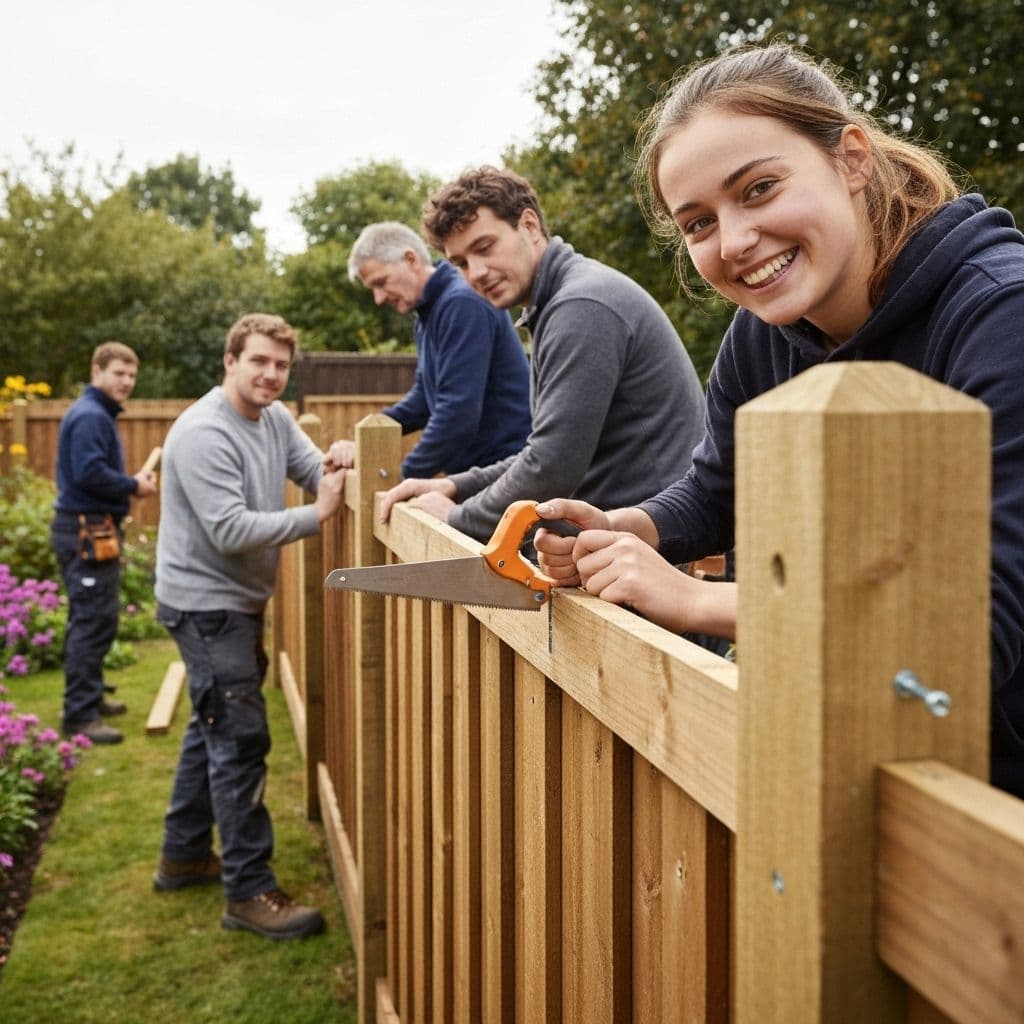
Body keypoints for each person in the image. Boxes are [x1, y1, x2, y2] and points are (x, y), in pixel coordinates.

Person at [532, 43, 1024, 799]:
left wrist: (697, 600)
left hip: (986, 788)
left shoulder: (1000, 314)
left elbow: (970, 632)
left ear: (851, 159)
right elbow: (716, 490)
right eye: (697, 224)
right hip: (844, 749)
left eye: (758, 189)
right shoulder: (764, 332)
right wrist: (635, 529)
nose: (733, 243)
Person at [378, 167, 707, 543]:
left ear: (530, 226)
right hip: (614, 544)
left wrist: (457, 517)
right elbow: (541, 449)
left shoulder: (581, 306)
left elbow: (550, 466)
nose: (477, 273)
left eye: (485, 247)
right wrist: (455, 486)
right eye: (461, 263)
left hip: (653, 552)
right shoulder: (557, 304)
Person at [152, 313, 346, 939]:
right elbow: (230, 530)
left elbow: (314, 468)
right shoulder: (205, 433)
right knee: (238, 741)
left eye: (281, 365)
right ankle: (248, 890)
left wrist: (341, 460)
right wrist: (316, 516)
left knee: (212, 724)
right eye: (258, 360)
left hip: (232, 603)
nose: (270, 374)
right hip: (206, 606)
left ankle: (182, 855)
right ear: (230, 360)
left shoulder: (276, 418)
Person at [324, 221, 531, 479]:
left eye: (381, 282)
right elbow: (424, 398)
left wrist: (399, 479)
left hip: (506, 474)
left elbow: (457, 413)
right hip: (478, 475)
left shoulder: (461, 303)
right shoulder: (428, 313)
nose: (378, 299)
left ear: (411, 259)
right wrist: (367, 437)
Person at [51, 341, 158, 744]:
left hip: (92, 528)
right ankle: (79, 716)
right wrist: (134, 485)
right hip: (85, 531)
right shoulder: (91, 416)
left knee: (96, 618)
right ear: (97, 372)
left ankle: (90, 697)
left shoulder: (96, 414)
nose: (127, 382)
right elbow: (89, 473)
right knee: (91, 622)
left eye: (132, 375)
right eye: (119, 373)